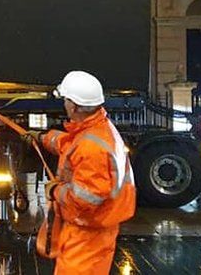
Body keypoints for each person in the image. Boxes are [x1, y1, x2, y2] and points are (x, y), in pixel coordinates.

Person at [26, 70, 136, 274]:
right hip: (93, 228)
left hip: (88, 233)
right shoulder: (96, 130)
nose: (64, 104)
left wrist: (54, 191)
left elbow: (87, 198)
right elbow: (70, 145)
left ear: (74, 105)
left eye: (66, 100)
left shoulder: (92, 146)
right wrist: (42, 138)